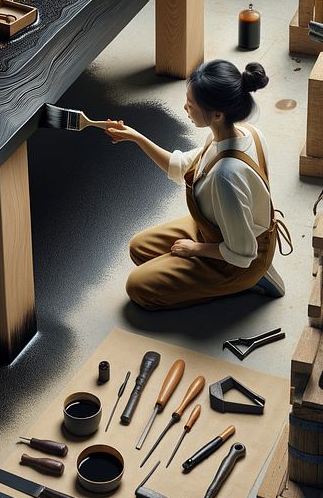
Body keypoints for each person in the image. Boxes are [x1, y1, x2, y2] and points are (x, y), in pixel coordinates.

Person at [106, 59, 292, 310]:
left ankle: (249, 282)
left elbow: (243, 252)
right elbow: (181, 165)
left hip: (239, 259)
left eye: (191, 104)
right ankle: (196, 274)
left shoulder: (225, 177)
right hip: (218, 229)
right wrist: (136, 138)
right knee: (139, 249)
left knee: (139, 288)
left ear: (217, 114)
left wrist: (195, 249)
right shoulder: (246, 133)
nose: (185, 107)